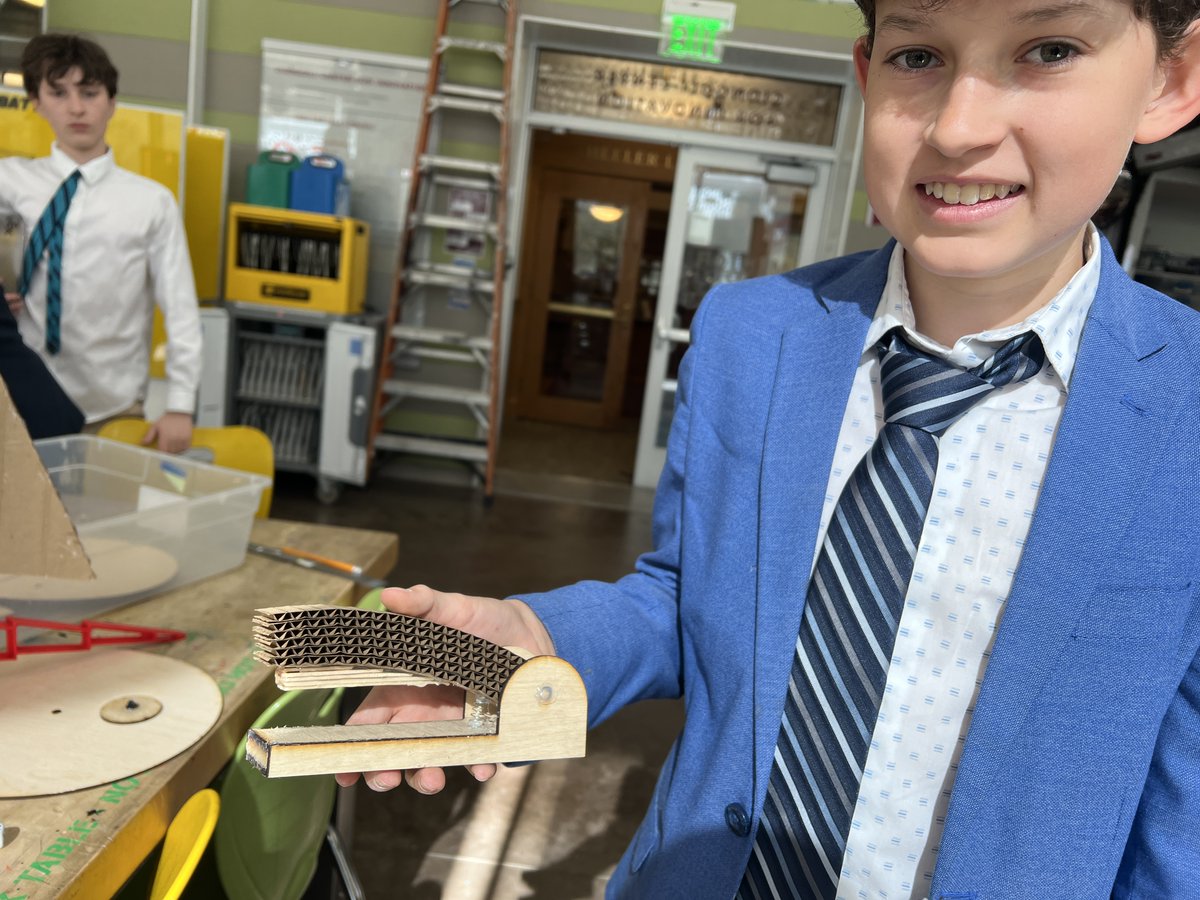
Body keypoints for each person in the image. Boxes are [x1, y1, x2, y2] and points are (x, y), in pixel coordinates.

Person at [336, 0, 1200, 897]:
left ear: (1170, 81)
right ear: (866, 74)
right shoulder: (754, 335)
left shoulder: (1187, 414)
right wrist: (540, 638)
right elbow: (691, 596)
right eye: (919, 57)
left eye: (1049, 49)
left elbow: (1185, 823)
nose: (959, 126)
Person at [0, 33, 202, 453]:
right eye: (58, 93)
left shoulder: (151, 202)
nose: (76, 108)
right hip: (20, 397)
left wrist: (181, 404)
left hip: (112, 408)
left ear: (111, 102)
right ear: (36, 102)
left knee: (107, 517)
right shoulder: (9, 181)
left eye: (90, 93)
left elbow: (181, 308)